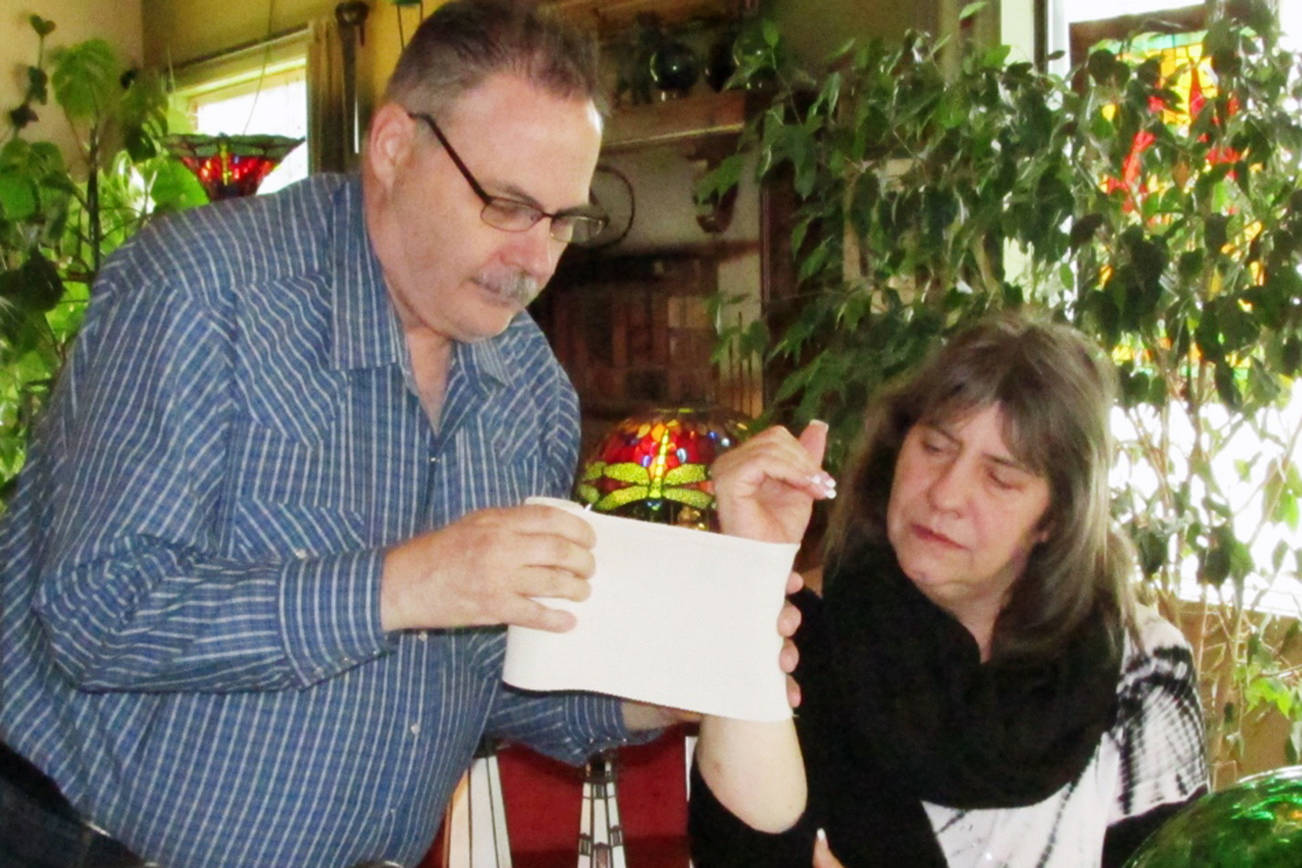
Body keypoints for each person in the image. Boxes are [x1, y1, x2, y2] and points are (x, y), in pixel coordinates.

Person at [0, 2, 721, 866]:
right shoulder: (202, 293)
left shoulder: (530, 391)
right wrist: (405, 585)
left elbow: (473, 682)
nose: (536, 259)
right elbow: (96, 613)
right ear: (392, 149)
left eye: (565, 220)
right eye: (508, 205)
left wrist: (669, 688)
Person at [689, 311, 1209, 867]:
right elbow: (737, 857)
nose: (945, 495)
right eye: (935, 448)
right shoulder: (802, 633)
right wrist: (755, 570)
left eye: (1000, 478)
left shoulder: (1142, 670)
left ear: (1054, 518)